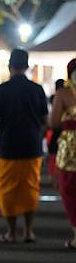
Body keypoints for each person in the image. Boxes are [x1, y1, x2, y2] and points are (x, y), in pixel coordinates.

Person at [0, 48, 48, 244]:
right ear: (27, 66)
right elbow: (45, 120)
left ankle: (11, 232)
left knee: (7, 190)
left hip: (8, 145)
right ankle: (29, 231)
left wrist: (1, 130)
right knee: (30, 187)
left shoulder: (2, 89)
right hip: (32, 146)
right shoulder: (37, 89)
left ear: (9, 66)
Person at [50, 58, 76, 249]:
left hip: (70, 148)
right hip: (69, 149)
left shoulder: (63, 93)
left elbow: (54, 122)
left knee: (70, 190)